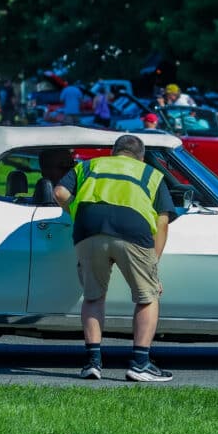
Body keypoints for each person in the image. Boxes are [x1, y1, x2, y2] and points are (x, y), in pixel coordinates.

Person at [53, 134, 176, 382]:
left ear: (113, 152)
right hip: (133, 229)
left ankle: (92, 363)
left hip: (89, 228)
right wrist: (153, 264)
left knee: (93, 296)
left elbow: (60, 192)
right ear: (140, 157)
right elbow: (162, 222)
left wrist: (77, 210)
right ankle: (140, 364)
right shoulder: (150, 174)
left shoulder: (89, 166)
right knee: (147, 297)